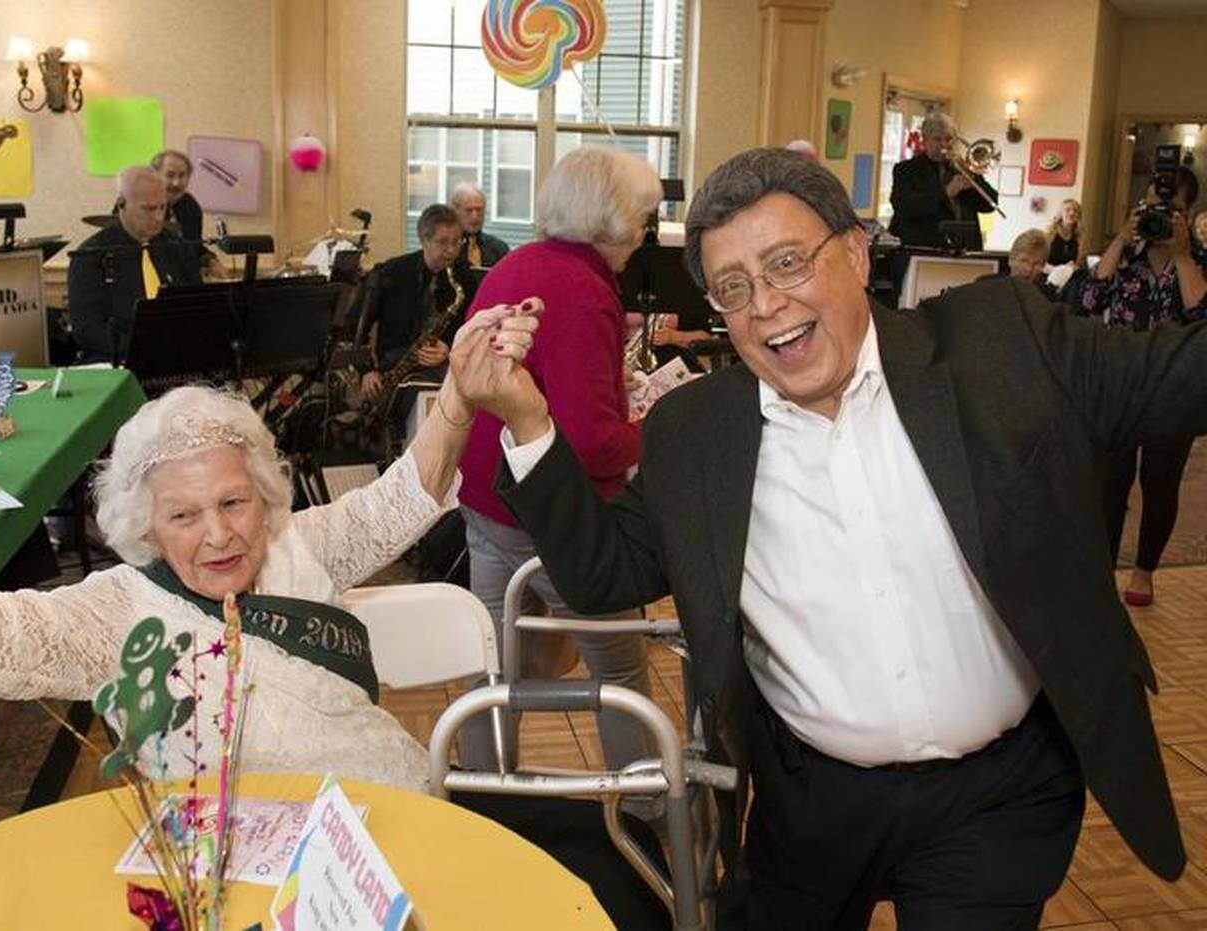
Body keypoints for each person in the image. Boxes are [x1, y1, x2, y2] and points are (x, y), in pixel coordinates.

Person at [458, 147, 1190, 929]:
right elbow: (603, 574)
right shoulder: (696, 434)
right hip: (810, 806)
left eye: (786, 263)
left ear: (855, 252)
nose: (766, 304)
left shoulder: (997, 342)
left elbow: (1178, 374)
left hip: (997, 798)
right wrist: (529, 421)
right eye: (733, 288)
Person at [0, 306, 539, 791]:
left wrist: (461, 397)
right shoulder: (117, 611)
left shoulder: (297, 543)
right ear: (142, 524)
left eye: (235, 501)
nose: (219, 533)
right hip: (223, 871)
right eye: (184, 514)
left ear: (267, 496)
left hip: (383, 811)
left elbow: (402, 497)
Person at [455, 146, 661, 775]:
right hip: (548, 510)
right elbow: (592, 440)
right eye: (645, 219)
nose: (647, 233)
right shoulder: (583, 288)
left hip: (485, 495)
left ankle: (485, 794)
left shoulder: (516, 262)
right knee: (621, 667)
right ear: (616, 219)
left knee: (490, 666)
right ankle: (652, 807)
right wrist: (657, 430)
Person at [1082, 171, 1207, 607]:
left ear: (1187, 214)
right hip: (1119, 383)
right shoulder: (1127, 255)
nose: (1158, 216)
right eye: (1151, 206)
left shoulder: (1199, 258)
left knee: (1161, 482)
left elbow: (1202, 319)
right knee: (1108, 483)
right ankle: (1103, 573)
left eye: (1170, 210)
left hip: (1175, 387)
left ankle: (1144, 571)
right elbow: (1088, 301)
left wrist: (1185, 255)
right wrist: (1120, 238)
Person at [68, 166, 202, 363]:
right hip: (119, 360)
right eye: (149, 208)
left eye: (163, 207)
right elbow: (87, 329)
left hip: (177, 357)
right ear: (121, 204)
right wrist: (140, 349)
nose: (158, 217)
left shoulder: (177, 247)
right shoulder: (91, 255)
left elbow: (197, 305)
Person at [358, 204, 464, 426]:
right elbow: (358, 327)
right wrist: (366, 371)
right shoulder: (391, 273)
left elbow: (470, 328)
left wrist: (449, 349)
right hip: (394, 368)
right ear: (423, 240)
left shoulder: (464, 278)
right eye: (443, 242)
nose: (452, 251)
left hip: (442, 368)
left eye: (457, 242)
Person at [888, 112, 998, 248]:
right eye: (937, 139)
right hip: (926, 249)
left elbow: (990, 205)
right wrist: (945, 193)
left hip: (967, 249)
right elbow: (903, 207)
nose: (944, 144)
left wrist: (973, 178)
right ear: (925, 140)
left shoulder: (964, 167)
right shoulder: (906, 170)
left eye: (949, 139)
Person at [150, 148, 227, 279]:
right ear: (154, 175)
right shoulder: (137, 203)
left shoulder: (190, 206)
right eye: (170, 175)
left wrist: (210, 260)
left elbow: (193, 247)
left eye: (182, 175)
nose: (177, 183)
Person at [451, 182, 510, 270]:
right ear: (455, 211)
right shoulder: (447, 249)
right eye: (469, 210)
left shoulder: (499, 249)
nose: (475, 216)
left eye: (479, 210)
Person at [1005, 228, 1051, 292]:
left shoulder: (1045, 297)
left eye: (1037, 263)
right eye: (1024, 261)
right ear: (1011, 259)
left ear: (1043, 266)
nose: (1029, 269)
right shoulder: (992, 292)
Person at [1048, 198, 1085, 267]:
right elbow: (1041, 259)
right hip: (1050, 272)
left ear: (1078, 215)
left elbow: (1079, 263)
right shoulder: (1050, 232)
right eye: (1068, 210)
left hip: (1070, 273)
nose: (1072, 213)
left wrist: (1075, 267)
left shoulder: (1080, 236)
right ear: (1061, 214)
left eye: (1075, 211)